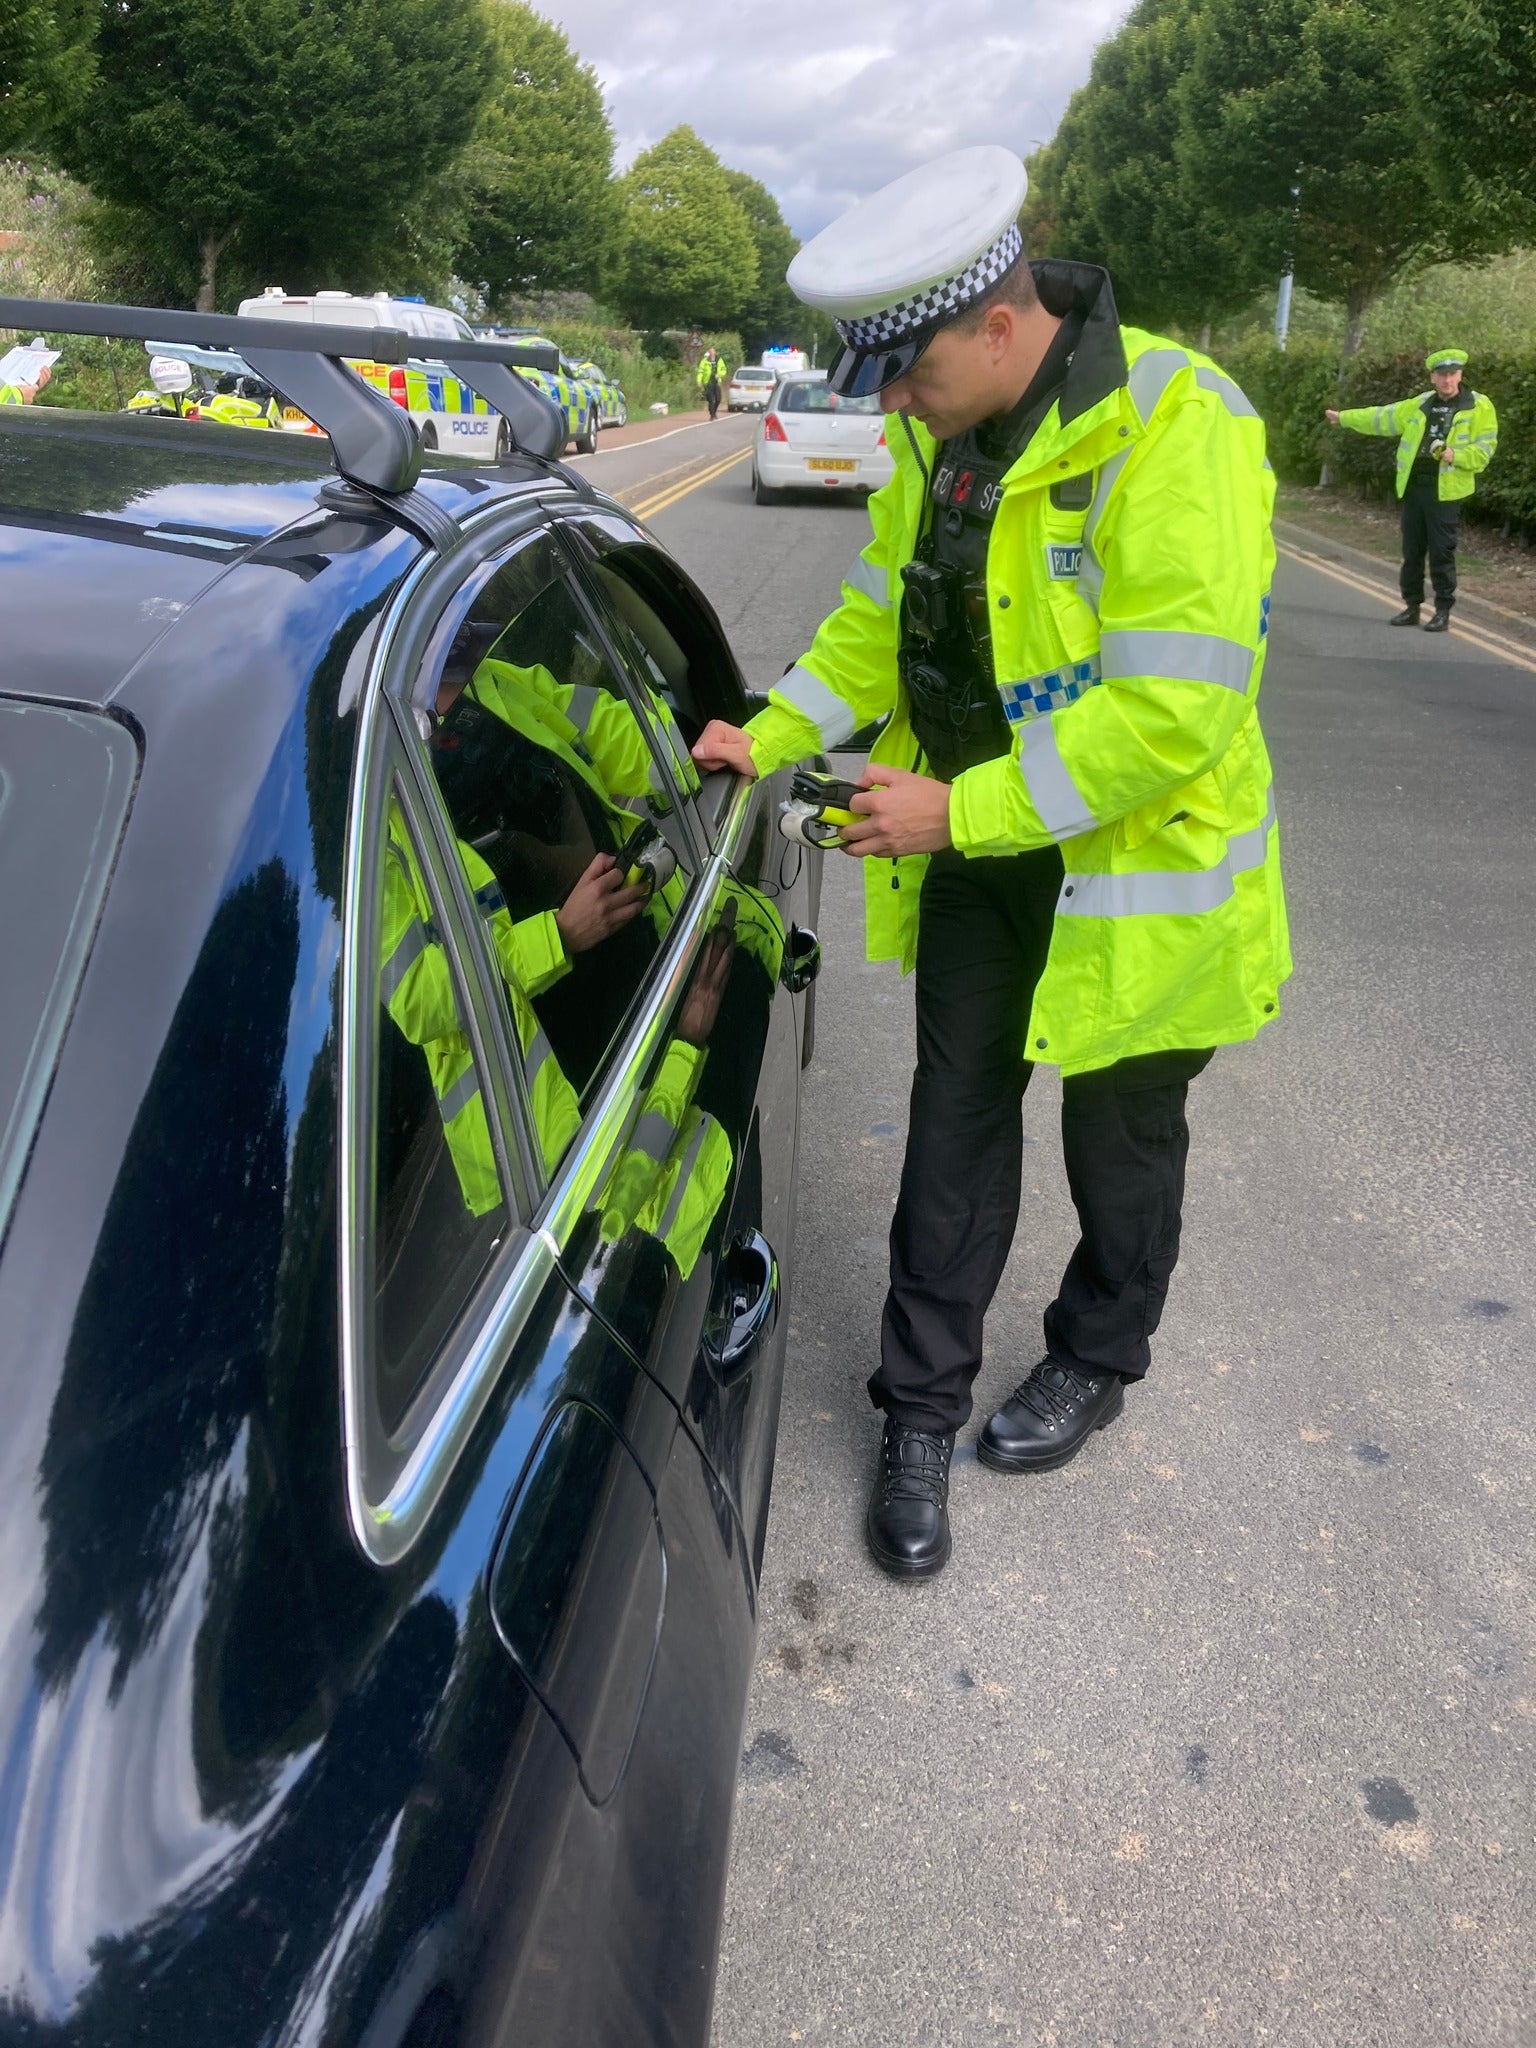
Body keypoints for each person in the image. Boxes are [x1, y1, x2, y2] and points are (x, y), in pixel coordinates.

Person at [692, 145, 1289, 1581]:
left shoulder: (1180, 427)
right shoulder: (931, 434)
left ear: (1001, 328)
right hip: (981, 846)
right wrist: (767, 733)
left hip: (1139, 874)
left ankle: (1097, 1353)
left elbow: (1177, 713)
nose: (889, 408)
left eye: (905, 375)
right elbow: (876, 627)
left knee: (1121, 1144)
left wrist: (959, 812)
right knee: (955, 1121)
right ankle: (918, 1413)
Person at [1325, 349, 1498, 633]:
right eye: (1442, 375)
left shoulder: (1478, 405)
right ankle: (1412, 607)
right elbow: (1383, 417)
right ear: (1432, 377)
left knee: (1442, 552)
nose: (1447, 381)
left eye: (1452, 374)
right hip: (1415, 487)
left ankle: (1442, 611)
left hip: (1446, 491)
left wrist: (1457, 455)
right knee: (1412, 551)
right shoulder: (1421, 404)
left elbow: (1485, 448)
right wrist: (1344, 418)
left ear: (1460, 375)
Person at [696, 348, 727, 421]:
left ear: (715, 352)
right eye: (710, 352)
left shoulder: (719, 360)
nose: (711, 354)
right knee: (711, 400)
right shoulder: (704, 361)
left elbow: (724, 370)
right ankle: (712, 415)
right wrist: (699, 381)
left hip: (716, 381)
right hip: (708, 382)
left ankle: (714, 411)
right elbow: (700, 371)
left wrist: (719, 375)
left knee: (718, 399)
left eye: (712, 352)